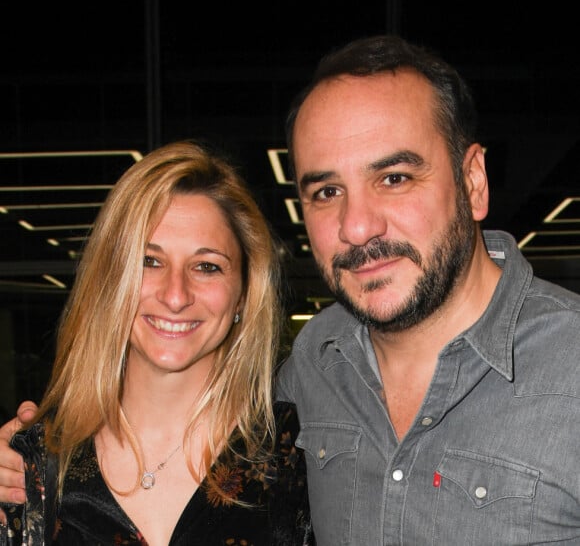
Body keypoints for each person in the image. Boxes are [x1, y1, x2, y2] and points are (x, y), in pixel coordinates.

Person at [3, 33, 580, 545]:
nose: (358, 226)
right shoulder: (312, 371)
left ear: (473, 180)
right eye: (327, 192)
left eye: (394, 177)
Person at [0, 140, 313, 545]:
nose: (175, 295)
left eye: (206, 266)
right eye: (149, 261)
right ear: (110, 279)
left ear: (242, 294)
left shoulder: (297, 457)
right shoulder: (33, 465)